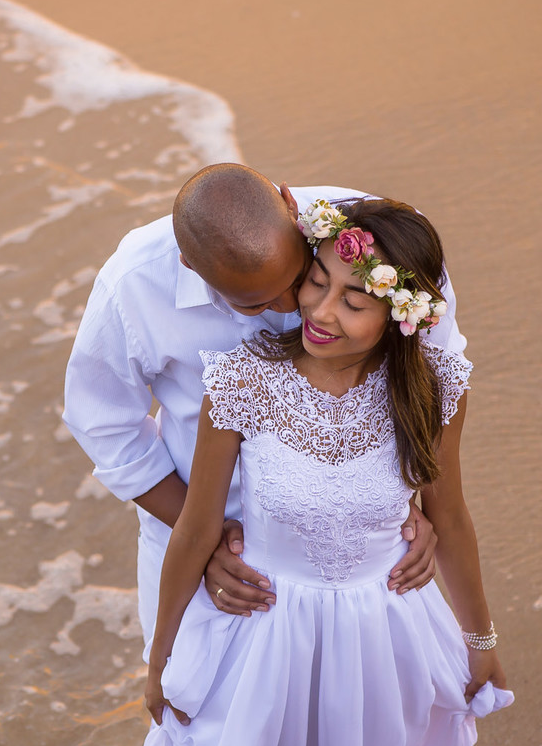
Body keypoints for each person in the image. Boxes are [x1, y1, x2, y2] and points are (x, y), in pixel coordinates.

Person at [142, 197, 512, 746]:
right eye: (316, 282)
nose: (320, 311)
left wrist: (480, 640)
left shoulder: (434, 391)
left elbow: (451, 518)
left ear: (399, 315)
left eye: (354, 301)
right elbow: (195, 529)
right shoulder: (245, 381)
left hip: (386, 642)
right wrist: (160, 659)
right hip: (265, 637)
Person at [63, 164, 465, 659]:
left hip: (362, 547)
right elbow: (103, 425)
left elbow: (428, 374)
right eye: (256, 306)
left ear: (293, 207)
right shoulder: (134, 285)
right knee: (200, 708)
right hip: (209, 550)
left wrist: (409, 505)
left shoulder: (378, 247)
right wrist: (203, 538)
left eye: (299, 277)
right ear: (191, 267)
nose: (298, 306)